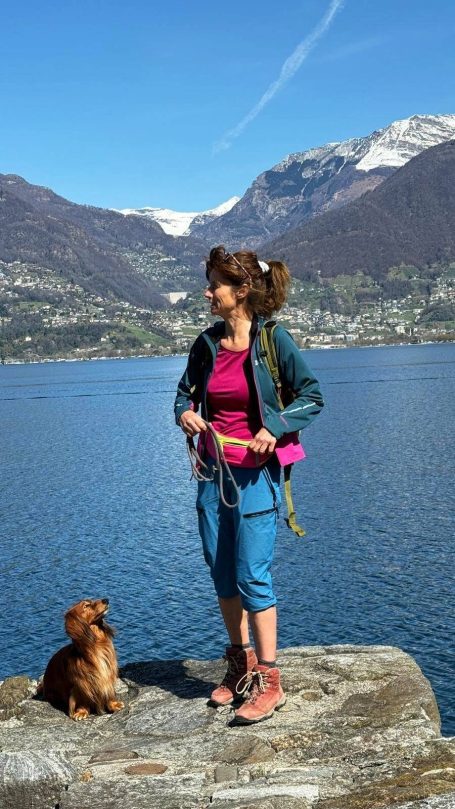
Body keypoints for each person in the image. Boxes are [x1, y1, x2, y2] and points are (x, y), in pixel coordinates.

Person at [174, 245, 323, 724]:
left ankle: (270, 679)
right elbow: (184, 393)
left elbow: (312, 396)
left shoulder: (273, 341)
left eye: (214, 285)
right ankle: (240, 664)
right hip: (211, 474)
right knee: (221, 571)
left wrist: (273, 427)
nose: (207, 293)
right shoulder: (206, 344)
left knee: (252, 574)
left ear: (241, 291)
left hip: (256, 476)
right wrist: (185, 414)